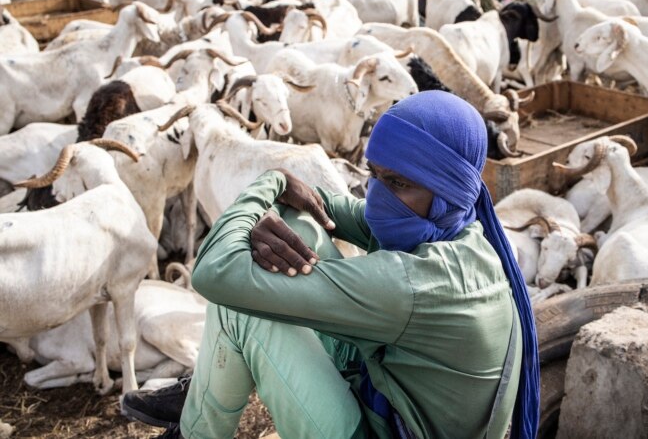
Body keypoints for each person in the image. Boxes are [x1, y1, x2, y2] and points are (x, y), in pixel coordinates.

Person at [123, 91, 540, 438]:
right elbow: (330, 209)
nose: (377, 196)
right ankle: (206, 389)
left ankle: (197, 423)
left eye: (397, 182)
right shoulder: (457, 230)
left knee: (241, 309)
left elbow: (213, 273)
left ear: (447, 188)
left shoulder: (413, 281)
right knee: (298, 223)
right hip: (388, 397)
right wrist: (289, 203)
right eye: (372, 174)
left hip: (385, 426)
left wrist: (271, 183)